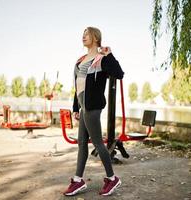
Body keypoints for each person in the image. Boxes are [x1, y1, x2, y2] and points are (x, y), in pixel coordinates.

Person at [63, 27, 124, 196]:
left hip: (93, 107)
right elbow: (78, 87)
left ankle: (112, 179)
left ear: (96, 37)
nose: (83, 36)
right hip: (84, 108)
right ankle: (78, 180)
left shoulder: (102, 59)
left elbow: (119, 74)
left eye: (87, 34)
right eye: (82, 34)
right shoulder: (80, 60)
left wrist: (109, 54)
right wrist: (76, 107)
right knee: (81, 143)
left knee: (97, 143)